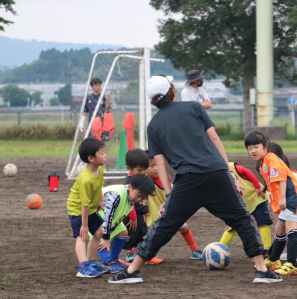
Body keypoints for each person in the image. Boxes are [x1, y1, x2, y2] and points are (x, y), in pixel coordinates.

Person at [109, 75, 282, 284]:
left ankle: (132, 271)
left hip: (188, 181)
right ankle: (261, 270)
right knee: (242, 219)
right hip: (216, 173)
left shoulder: (153, 126)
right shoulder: (194, 107)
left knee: (164, 225)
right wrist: (229, 172)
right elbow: (214, 138)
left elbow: (160, 162)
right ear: (172, 91)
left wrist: (169, 193)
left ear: (153, 101)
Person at [122, 148, 205, 262]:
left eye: (158, 165)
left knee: (183, 225)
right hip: (151, 212)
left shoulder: (166, 179)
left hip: (167, 208)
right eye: (152, 166)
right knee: (140, 230)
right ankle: (134, 252)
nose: (156, 169)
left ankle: (195, 250)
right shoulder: (143, 181)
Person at [245, 131, 297, 276]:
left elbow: (282, 178)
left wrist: (283, 198)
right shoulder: (263, 163)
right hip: (285, 197)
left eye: (256, 147)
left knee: (291, 228)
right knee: (279, 230)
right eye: (249, 148)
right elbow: (272, 183)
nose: (252, 150)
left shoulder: (271, 158)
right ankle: (273, 260)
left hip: (291, 196)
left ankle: (292, 264)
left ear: (266, 146)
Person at [95, 174, 155, 273]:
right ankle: (108, 262)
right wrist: (106, 239)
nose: (140, 199)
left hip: (112, 219)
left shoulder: (130, 195)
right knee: (99, 238)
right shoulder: (116, 194)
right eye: (139, 195)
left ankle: (114, 259)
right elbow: (107, 216)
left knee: (123, 232)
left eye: (143, 197)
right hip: (95, 216)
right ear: (130, 186)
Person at [66, 137, 109, 278]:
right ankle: (83, 267)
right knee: (82, 236)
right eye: (102, 153)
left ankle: (90, 261)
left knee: (98, 233)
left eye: (104, 152)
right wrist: (84, 226)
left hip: (89, 208)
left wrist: (101, 200)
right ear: (91, 158)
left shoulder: (100, 169)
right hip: (78, 209)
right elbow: (83, 205)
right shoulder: (85, 179)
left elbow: (100, 185)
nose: (105, 155)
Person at [219, 161, 273, 253]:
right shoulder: (215, 178)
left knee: (263, 222)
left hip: (256, 197)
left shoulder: (230, 167)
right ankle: (218, 248)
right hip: (242, 203)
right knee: (232, 226)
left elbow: (247, 171)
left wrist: (258, 187)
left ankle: (267, 249)